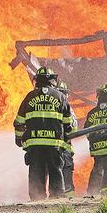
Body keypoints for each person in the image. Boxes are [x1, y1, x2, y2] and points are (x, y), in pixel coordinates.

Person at [13, 66, 76, 200]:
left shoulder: (30, 97)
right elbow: (68, 122)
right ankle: (57, 196)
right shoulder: (60, 97)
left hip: (35, 143)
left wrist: (19, 138)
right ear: (53, 80)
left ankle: (37, 197)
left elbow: (19, 121)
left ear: (37, 80)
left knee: (36, 170)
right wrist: (66, 138)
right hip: (54, 143)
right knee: (55, 169)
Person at [84, 83, 107, 195]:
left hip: (97, 149)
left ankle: (92, 193)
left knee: (98, 169)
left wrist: (96, 140)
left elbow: (87, 132)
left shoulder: (92, 113)